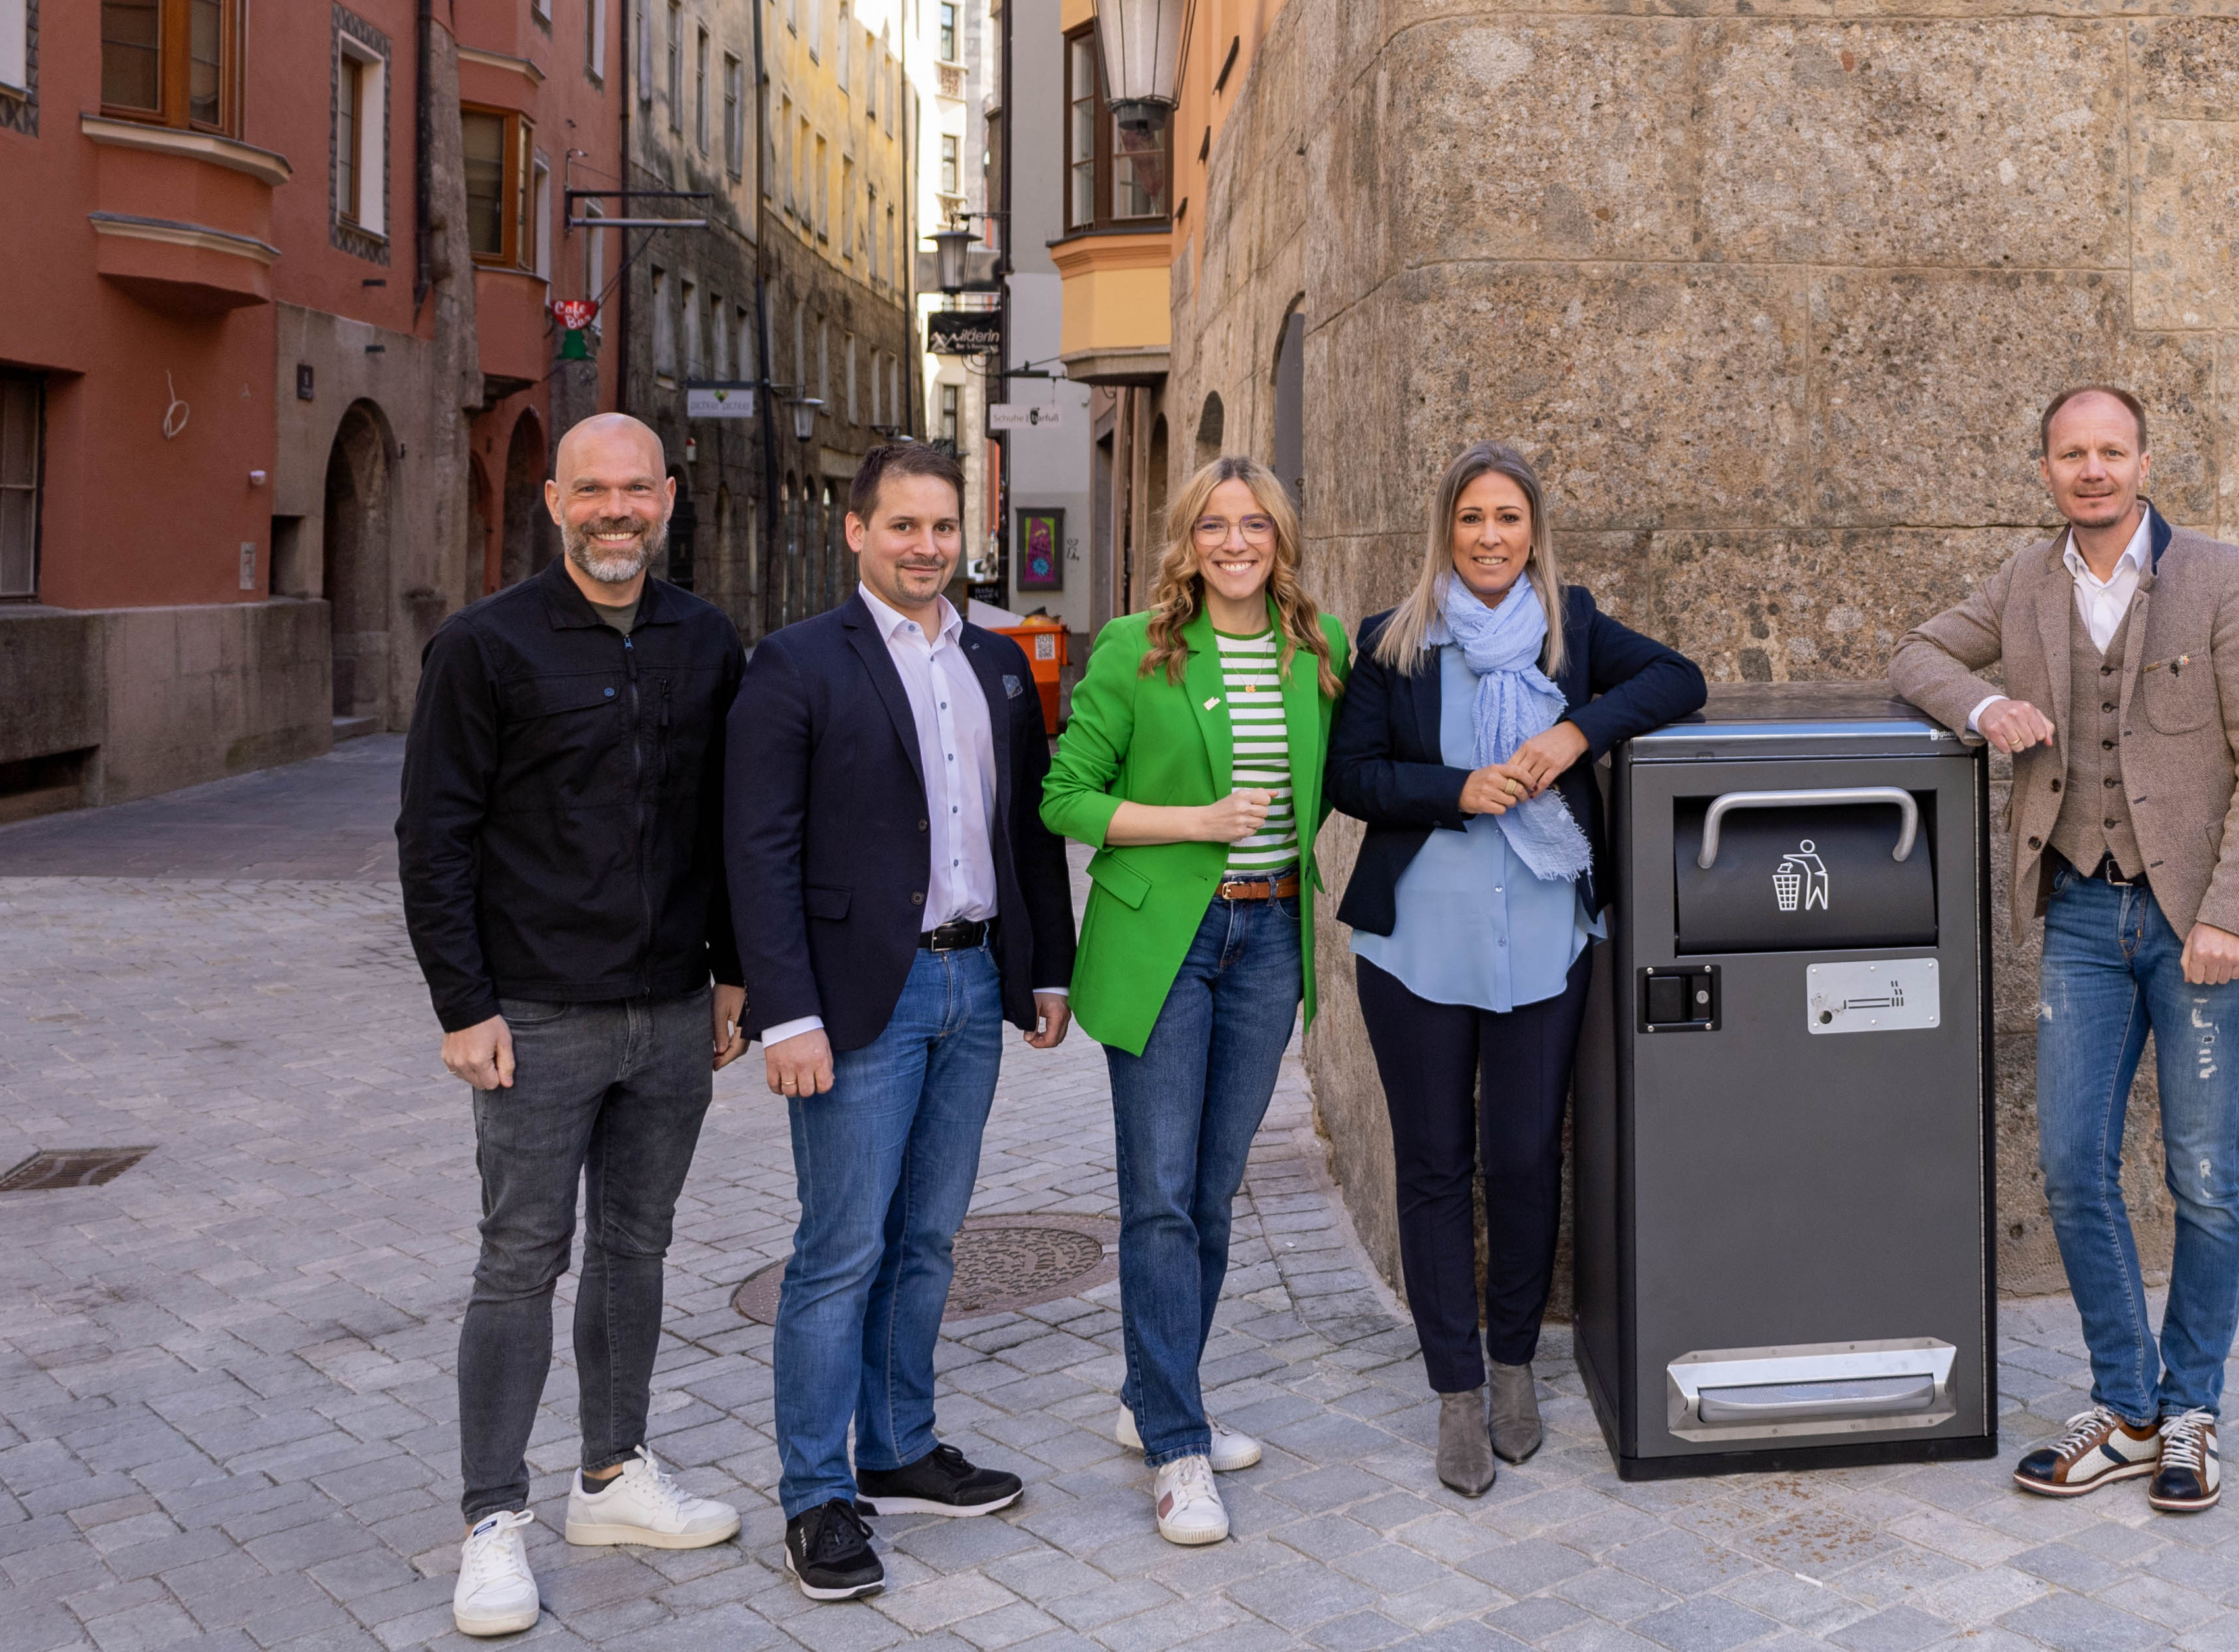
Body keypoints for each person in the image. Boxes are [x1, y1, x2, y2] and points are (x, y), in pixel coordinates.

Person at [1889, 386, 2239, 1517]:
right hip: (2078, 909)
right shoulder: (2027, 582)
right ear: (2045, 471)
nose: (2093, 470)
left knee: (2204, 1176)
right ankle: (2127, 1410)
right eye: (2072, 454)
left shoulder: (2227, 580)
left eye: (2111, 451)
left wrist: (2230, 913)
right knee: (2074, 1165)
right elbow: (1918, 655)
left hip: (2200, 924)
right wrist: (1985, 710)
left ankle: (2194, 1412)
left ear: (2144, 460)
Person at [397, 414, 752, 1639]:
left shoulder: (708, 641)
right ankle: (494, 1519)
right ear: (555, 502)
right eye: (592, 489)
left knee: (637, 1249)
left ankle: (611, 1476)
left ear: (667, 498)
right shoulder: (485, 647)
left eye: (636, 489)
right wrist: (464, 1005)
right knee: (518, 1260)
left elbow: (728, 823)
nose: (617, 509)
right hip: (534, 1018)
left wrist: (733, 972)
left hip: (669, 1012)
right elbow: (433, 836)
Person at [724, 442, 1075, 1606]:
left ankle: (900, 1442)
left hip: (976, 986)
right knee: (839, 1252)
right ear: (857, 532)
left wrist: (1047, 970)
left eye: (941, 527)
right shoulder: (793, 664)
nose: (925, 546)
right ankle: (817, 1494)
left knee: (929, 1238)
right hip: (858, 1000)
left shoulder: (995, 661)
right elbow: (758, 852)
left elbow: (1026, 828)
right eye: (903, 526)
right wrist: (789, 1014)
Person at [1328, 443, 1706, 1496]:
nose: (1490, 536)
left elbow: (1680, 677)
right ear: (1443, 531)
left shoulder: (1572, 627)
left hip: (1545, 938)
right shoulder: (1392, 644)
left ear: (1534, 529)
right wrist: (1457, 788)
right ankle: (1454, 1389)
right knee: (1436, 1163)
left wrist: (1575, 734)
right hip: (1417, 946)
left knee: (1529, 1158)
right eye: (1470, 519)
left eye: (1508, 517)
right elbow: (1351, 777)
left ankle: (1513, 1369)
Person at [1042, 454, 1345, 1547]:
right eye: (1213, 525)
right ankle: (1176, 1442)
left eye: (1253, 524)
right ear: (1188, 538)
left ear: (1280, 539)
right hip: (1167, 939)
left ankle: (1151, 1394)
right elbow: (1063, 796)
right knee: (1160, 1195)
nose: (1233, 542)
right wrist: (1199, 820)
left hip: (1267, 938)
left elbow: (1356, 771)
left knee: (1214, 1192)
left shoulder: (1321, 650)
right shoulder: (1138, 649)